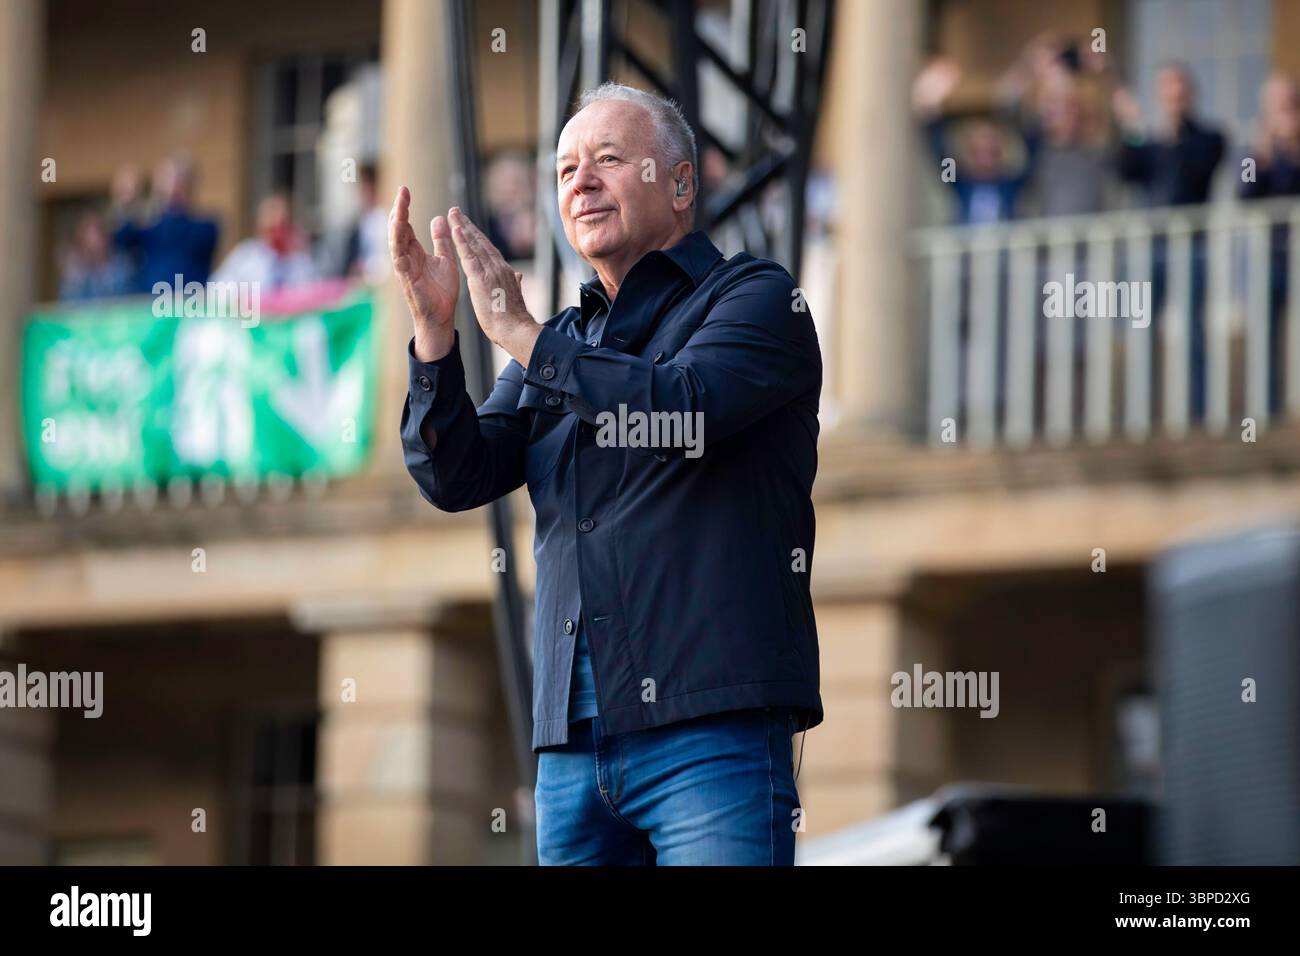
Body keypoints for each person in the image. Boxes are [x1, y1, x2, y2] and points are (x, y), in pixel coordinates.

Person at [394, 82, 822, 865]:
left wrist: (525, 337)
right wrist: (434, 337)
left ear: (682, 183)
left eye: (608, 160)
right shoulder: (562, 342)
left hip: (710, 726)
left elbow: (681, 413)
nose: (579, 182)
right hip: (572, 746)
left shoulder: (757, 298)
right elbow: (456, 475)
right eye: (563, 170)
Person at [110, 156, 219, 292]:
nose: (171, 187)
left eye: (177, 181)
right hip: (149, 306)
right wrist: (126, 202)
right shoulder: (150, 230)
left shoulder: (205, 227)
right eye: (165, 181)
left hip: (189, 304)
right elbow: (120, 241)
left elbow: (179, 228)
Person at [210, 194, 319, 290]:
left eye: (282, 225)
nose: (277, 234)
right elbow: (215, 289)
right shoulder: (244, 255)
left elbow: (316, 293)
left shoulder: (301, 261)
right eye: (272, 228)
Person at [59, 210, 131, 301]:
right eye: (89, 234)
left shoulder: (122, 267)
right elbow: (69, 306)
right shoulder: (77, 274)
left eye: (99, 231)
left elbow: (130, 301)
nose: (97, 240)